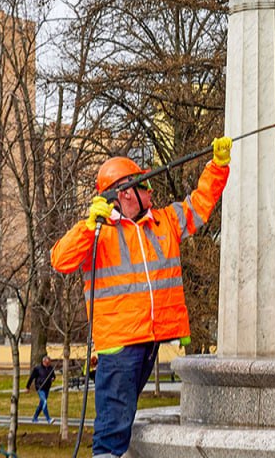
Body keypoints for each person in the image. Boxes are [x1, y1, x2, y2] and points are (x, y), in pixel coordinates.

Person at [51, 137, 232, 458]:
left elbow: (200, 203)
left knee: (121, 417)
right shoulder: (97, 232)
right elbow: (60, 260)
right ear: (124, 194)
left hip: (149, 339)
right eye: (144, 185)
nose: (151, 191)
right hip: (119, 345)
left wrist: (217, 166)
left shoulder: (164, 222)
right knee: (112, 427)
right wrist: (87, 225)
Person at [26, 354, 57, 424]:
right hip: (40, 388)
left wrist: (53, 378)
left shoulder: (50, 368)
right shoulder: (37, 369)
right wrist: (28, 387)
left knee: (41, 404)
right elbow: (31, 378)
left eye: (49, 363)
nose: (48, 364)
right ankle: (48, 419)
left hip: (47, 388)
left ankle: (35, 417)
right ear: (44, 362)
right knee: (44, 402)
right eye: (47, 363)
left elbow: (53, 376)